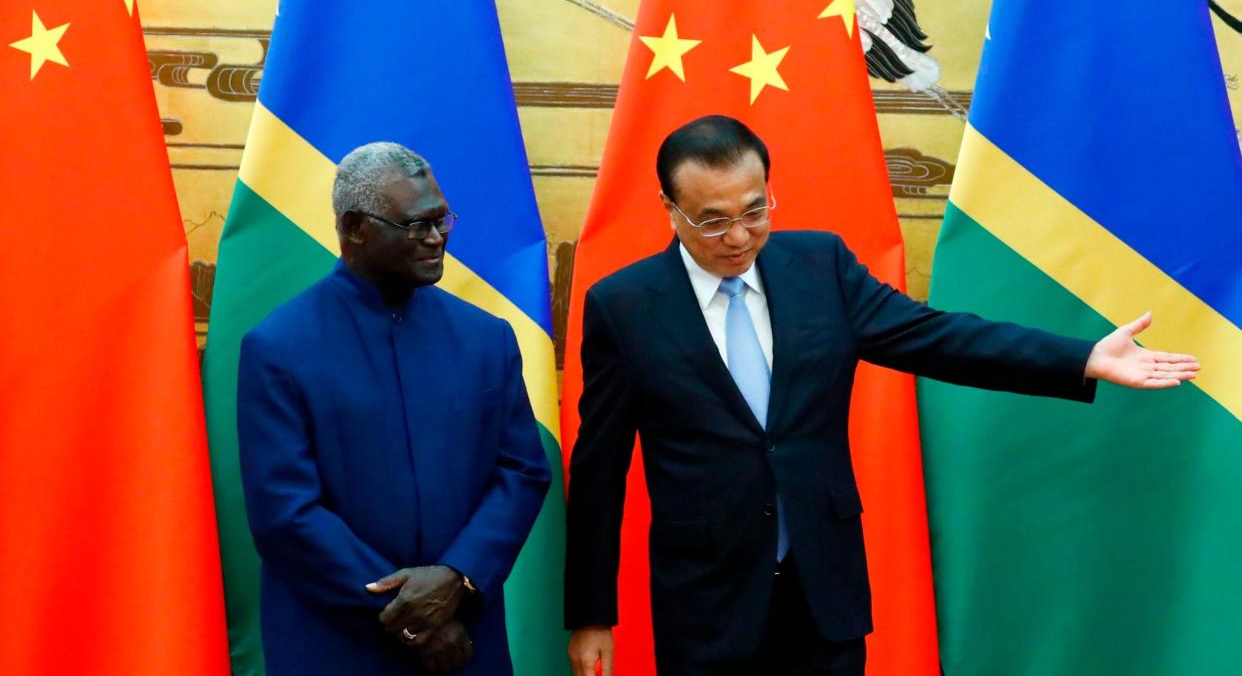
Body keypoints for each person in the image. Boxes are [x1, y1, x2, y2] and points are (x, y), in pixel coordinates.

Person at [563, 115, 1199, 676]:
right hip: (707, 605)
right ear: (669, 209)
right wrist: (591, 615)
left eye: (755, 211)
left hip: (824, 591)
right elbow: (599, 472)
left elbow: (937, 337)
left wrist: (1082, 358)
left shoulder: (818, 267)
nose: (737, 237)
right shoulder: (625, 306)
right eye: (713, 220)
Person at [237, 142, 551, 675]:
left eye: (440, 218)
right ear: (356, 227)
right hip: (337, 644)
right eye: (415, 225)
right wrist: (413, 616)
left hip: (465, 639)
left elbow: (521, 470)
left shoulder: (486, 338)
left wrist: (458, 575)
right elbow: (285, 514)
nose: (436, 237)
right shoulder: (278, 347)